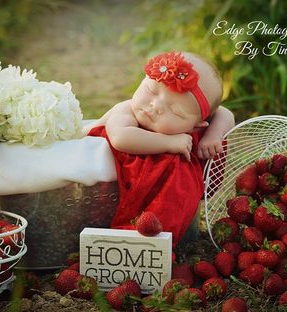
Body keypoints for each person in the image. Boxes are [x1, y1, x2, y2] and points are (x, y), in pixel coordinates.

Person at [86, 51, 234, 247]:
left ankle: (157, 240)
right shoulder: (127, 110)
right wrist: (169, 143)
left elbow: (224, 113)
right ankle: (133, 239)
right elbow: (121, 138)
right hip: (95, 170)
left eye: (175, 111)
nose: (155, 106)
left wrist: (214, 135)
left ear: (198, 125)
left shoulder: (193, 128)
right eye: (152, 90)